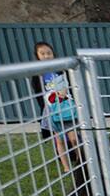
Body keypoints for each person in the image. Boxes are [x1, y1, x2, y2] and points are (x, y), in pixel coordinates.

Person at [31, 41, 79, 173]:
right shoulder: (37, 74)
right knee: (59, 140)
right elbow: (38, 95)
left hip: (66, 108)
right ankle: (66, 167)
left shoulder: (61, 70)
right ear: (37, 56)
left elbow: (70, 88)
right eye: (43, 53)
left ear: (53, 54)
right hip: (52, 110)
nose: (46, 56)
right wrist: (46, 110)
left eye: (49, 53)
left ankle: (81, 161)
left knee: (74, 138)